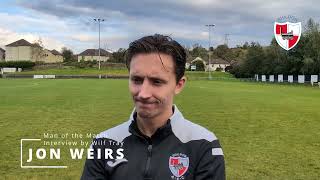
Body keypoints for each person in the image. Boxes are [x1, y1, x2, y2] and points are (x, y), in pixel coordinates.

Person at [81, 34, 225, 180]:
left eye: (156, 82)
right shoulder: (103, 143)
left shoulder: (204, 145)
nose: (143, 94)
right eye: (136, 80)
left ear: (179, 85)